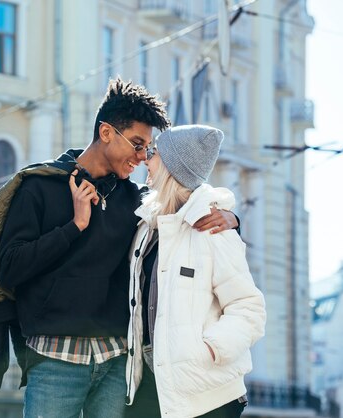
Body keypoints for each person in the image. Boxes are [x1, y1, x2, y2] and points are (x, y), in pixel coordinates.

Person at [0, 79, 239, 418]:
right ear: (106, 132)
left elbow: (187, 209)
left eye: (148, 148)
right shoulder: (40, 187)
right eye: (137, 144)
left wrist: (230, 215)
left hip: (116, 363)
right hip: (55, 361)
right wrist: (74, 227)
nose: (142, 157)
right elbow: (9, 267)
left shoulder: (137, 200)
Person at [124, 125, 267, 418]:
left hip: (207, 394)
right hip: (153, 382)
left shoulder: (213, 228)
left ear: (171, 166)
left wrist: (210, 350)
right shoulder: (147, 227)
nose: (146, 160)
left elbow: (249, 308)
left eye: (153, 153)